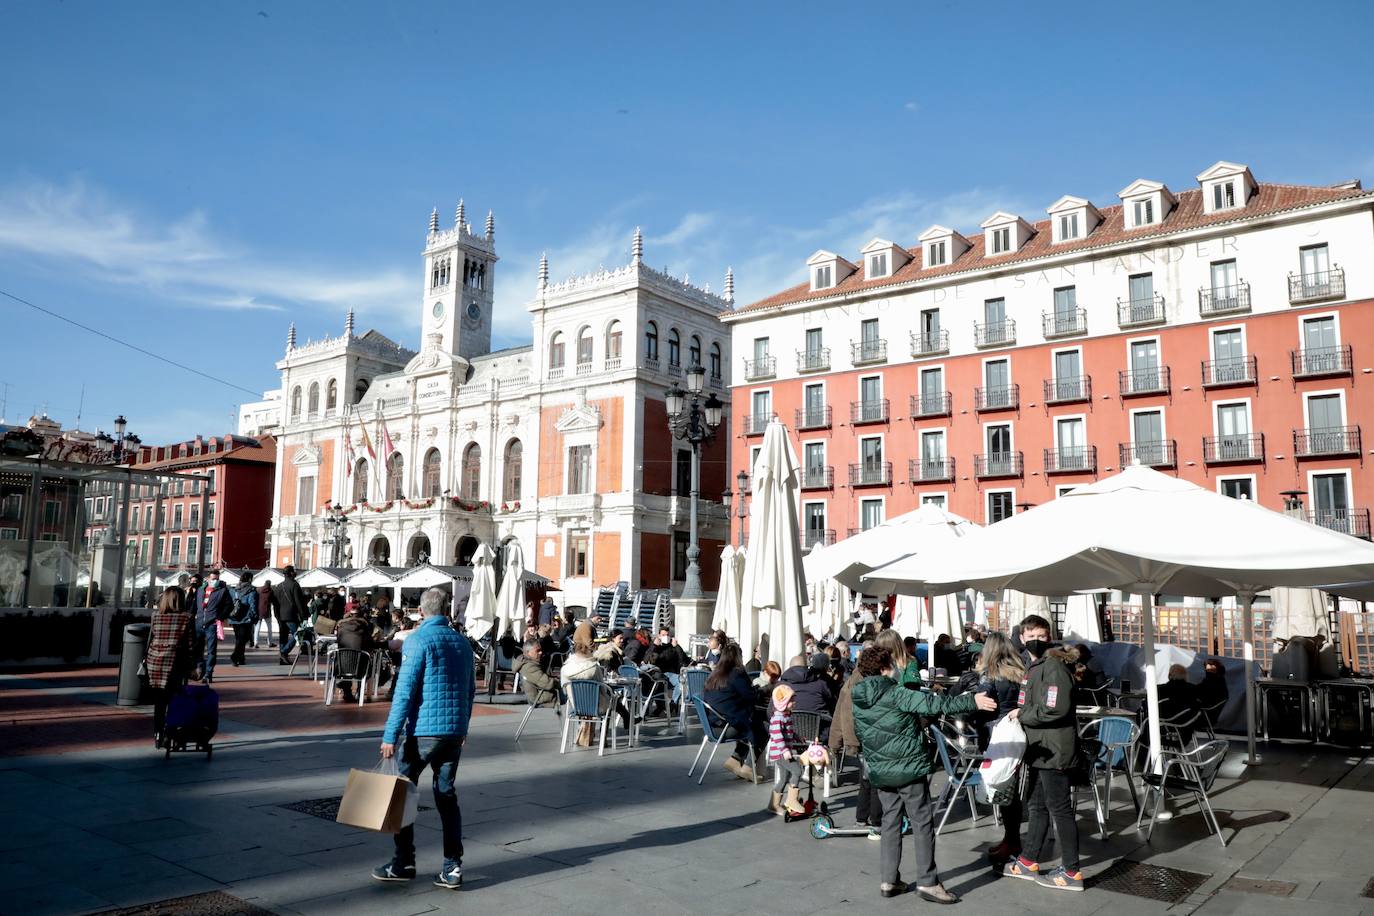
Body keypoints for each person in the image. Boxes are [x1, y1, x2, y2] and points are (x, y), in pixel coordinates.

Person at [853, 645, 996, 901]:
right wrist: (971, 700)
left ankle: (889, 880)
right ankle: (928, 882)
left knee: (890, 821)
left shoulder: (859, 698)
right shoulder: (896, 694)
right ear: (885, 668)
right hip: (907, 767)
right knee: (921, 822)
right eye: (892, 664)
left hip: (880, 769)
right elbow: (934, 704)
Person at [375, 587, 475, 890]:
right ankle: (452, 867)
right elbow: (470, 691)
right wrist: (463, 729)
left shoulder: (417, 641)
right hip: (453, 732)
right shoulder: (462, 643)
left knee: (402, 794)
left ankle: (403, 862)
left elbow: (404, 692)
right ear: (446, 611)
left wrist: (390, 735)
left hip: (423, 732)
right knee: (446, 795)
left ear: (421, 611)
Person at [1003, 614, 1083, 892]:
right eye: (1031, 637)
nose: (1036, 641)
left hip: (1054, 749)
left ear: (1049, 638)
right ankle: (1028, 860)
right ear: (1022, 638)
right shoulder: (1035, 665)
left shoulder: (1054, 666)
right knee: (1036, 805)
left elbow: (1056, 708)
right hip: (1040, 748)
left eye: (1041, 637)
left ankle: (1072, 871)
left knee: (1059, 808)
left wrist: (1023, 714)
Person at [969, 632, 1027, 862]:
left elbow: (980, 704)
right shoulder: (1020, 673)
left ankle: (1012, 841)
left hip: (995, 736)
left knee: (1003, 790)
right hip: (1017, 733)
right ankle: (1010, 839)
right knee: (1011, 788)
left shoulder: (990, 675)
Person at [702, 642, 766, 780]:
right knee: (763, 728)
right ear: (739, 657)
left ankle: (735, 760)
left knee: (750, 720)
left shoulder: (714, 675)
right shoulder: (736, 674)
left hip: (712, 725)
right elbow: (752, 696)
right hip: (727, 727)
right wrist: (764, 689)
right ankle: (748, 767)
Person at [145, 586, 198, 747]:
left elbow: (151, 639)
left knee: (159, 701)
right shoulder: (186, 618)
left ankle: (158, 734)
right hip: (176, 662)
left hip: (155, 662)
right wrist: (192, 667)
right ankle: (170, 732)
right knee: (175, 699)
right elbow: (190, 645)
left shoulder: (156, 616)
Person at [560, 622, 632, 731]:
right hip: (596, 706)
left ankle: (582, 728)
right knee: (612, 699)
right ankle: (605, 735)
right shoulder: (593, 668)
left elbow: (565, 690)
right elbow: (603, 689)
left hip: (575, 705)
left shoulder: (565, 669)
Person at [766, 684, 808, 816]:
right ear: (782, 702)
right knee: (798, 770)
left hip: (782, 752)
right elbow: (777, 735)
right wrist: (784, 750)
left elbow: (787, 732)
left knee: (784, 778)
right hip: (780, 753)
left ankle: (773, 805)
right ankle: (791, 800)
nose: (794, 703)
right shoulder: (778, 717)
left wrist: (797, 737)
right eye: (791, 700)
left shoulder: (785, 715)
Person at [336, 605, 385, 702]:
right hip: (359, 666)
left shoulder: (340, 627)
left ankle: (347, 691)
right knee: (365, 662)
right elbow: (370, 643)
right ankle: (359, 691)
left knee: (347, 659)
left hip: (341, 667)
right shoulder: (365, 627)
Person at [194, 570, 232, 682]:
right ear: (208, 579)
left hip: (212, 624)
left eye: (216, 579)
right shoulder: (200, 590)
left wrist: (220, 617)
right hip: (199, 623)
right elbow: (195, 605)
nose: (215, 581)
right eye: (213, 579)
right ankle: (200, 667)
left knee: (211, 650)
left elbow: (229, 605)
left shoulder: (223, 591)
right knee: (198, 648)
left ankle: (209, 673)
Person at [514, 634, 563, 707]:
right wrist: (560, 681)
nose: (541, 652)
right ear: (528, 652)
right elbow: (548, 684)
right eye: (538, 651)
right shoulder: (529, 667)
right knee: (574, 693)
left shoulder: (529, 663)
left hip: (542, 694)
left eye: (541, 650)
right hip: (541, 697)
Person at [274, 565, 308, 665]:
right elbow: (299, 602)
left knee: (283, 636)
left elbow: (275, 603)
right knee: (297, 634)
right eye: (294, 571)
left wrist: (277, 615)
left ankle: (283, 658)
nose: (295, 573)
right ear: (290, 573)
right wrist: (303, 615)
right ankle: (284, 652)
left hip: (280, 615)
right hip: (291, 615)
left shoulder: (279, 586)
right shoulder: (294, 585)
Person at [227, 570, 259, 667]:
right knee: (244, 639)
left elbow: (230, 603)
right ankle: (235, 656)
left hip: (234, 618)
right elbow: (253, 605)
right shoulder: (252, 590)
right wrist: (255, 616)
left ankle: (241, 658)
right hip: (246, 619)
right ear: (250, 579)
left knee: (239, 639)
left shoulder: (234, 590)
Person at [255, 579, 278, 648]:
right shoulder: (271, 591)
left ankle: (256, 642)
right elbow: (274, 601)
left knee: (257, 627)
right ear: (270, 584)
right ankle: (270, 642)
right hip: (267, 611)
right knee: (269, 628)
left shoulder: (258, 590)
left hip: (259, 610)